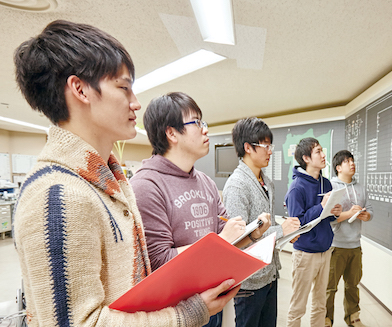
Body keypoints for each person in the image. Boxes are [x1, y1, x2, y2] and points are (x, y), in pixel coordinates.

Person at [12, 20, 238, 326]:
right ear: (80, 90)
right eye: (123, 87)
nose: (135, 102)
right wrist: (188, 313)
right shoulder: (58, 194)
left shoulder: (110, 182)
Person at [130, 93, 270, 327]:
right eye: (196, 122)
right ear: (171, 133)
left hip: (211, 302)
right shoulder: (146, 185)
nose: (205, 130)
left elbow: (226, 233)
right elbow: (158, 261)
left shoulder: (205, 182)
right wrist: (219, 241)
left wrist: (251, 234)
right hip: (175, 314)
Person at [222, 117, 301, 327]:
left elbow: (268, 226)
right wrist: (281, 230)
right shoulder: (237, 185)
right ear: (248, 147)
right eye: (265, 146)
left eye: (270, 145)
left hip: (270, 273)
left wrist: (288, 235)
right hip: (249, 282)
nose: (270, 151)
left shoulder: (267, 182)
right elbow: (238, 241)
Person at [285, 137, 342, 327]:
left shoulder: (326, 183)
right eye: (318, 151)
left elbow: (328, 217)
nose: (324, 155)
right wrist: (322, 206)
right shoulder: (296, 188)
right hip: (305, 255)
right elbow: (297, 225)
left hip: (325, 251)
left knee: (320, 305)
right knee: (298, 307)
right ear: (306, 158)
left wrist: (334, 212)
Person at [325, 150, 373, 327]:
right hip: (335, 246)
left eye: (352, 160)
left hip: (355, 245)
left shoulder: (360, 188)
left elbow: (370, 210)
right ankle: (327, 319)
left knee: (353, 285)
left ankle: (353, 317)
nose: (352, 164)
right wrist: (349, 213)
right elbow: (327, 217)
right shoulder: (331, 186)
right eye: (347, 161)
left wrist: (366, 215)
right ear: (338, 167)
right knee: (330, 287)